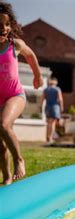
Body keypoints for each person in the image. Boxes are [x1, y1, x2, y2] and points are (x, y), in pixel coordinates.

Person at [0, 2, 43, 185]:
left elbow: (31, 55)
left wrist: (38, 76)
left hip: (15, 96)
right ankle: (7, 177)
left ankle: (19, 160)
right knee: (0, 144)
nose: (3, 28)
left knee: (3, 124)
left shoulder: (14, 44)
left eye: (7, 24)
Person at [40, 76, 64, 143]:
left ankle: (47, 137)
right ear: (55, 82)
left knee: (49, 123)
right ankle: (50, 138)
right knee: (53, 123)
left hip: (47, 107)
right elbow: (60, 99)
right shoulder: (57, 89)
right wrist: (61, 107)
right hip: (55, 107)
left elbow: (42, 99)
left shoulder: (45, 89)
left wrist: (40, 106)